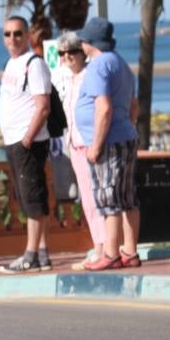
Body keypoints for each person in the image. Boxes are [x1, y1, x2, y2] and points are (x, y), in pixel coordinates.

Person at [74, 17, 141, 270]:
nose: (80, 42)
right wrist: (129, 126)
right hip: (125, 135)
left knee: (109, 196)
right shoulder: (121, 64)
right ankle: (130, 250)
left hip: (109, 141)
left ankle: (111, 253)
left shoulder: (99, 66)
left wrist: (96, 145)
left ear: (90, 42)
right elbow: (134, 105)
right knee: (128, 197)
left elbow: (103, 108)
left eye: (83, 38)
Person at [0, 15, 53, 274]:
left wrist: (27, 138)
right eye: (7, 34)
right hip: (14, 140)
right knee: (27, 196)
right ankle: (41, 253)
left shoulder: (34, 63)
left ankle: (30, 254)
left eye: (17, 33)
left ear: (28, 35)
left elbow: (43, 106)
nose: (12, 39)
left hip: (26, 141)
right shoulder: (12, 63)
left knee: (32, 198)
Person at [56, 31, 107, 265]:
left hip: (90, 142)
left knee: (99, 196)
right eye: (63, 53)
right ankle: (98, 245)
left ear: (82, 52)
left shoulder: (91, 74)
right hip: (74, 144)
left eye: (73, 51)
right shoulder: (65, 78)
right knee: (86, 198)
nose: (68, 57)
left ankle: (106, 244)